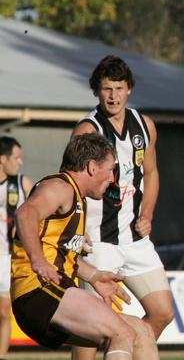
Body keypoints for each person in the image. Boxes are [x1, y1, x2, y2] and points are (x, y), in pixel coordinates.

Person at [11, 133, 158, 359]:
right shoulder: (60, 187)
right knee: (122, 333)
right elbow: (25, 213)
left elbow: (61, 251)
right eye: (110, 169)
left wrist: (95, 276)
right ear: (91, 167)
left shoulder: (78, 198)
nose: (112, 178)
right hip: (38, 291)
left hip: (54, 291)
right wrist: (37, 259)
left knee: (142, 331)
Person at [71, 55, 173, 360]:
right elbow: (70, 184)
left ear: (129, 89)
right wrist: (76, 233)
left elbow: (151, 173)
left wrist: (148, 215)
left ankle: (122, 350)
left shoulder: (145, 125)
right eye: (106, 89)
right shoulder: (88, 131)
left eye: (118, 88)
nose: (112, 95)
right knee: (90, 329)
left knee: (163, 312)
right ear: (97, 91)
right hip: (98, 240)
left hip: (136, 241)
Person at [0, 137, 33, 359]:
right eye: (16, 157)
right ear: (2, 159)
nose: (20, 162)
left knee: (3, 311)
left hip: (7, 256)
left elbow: (40, 213)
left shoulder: (22, 184)